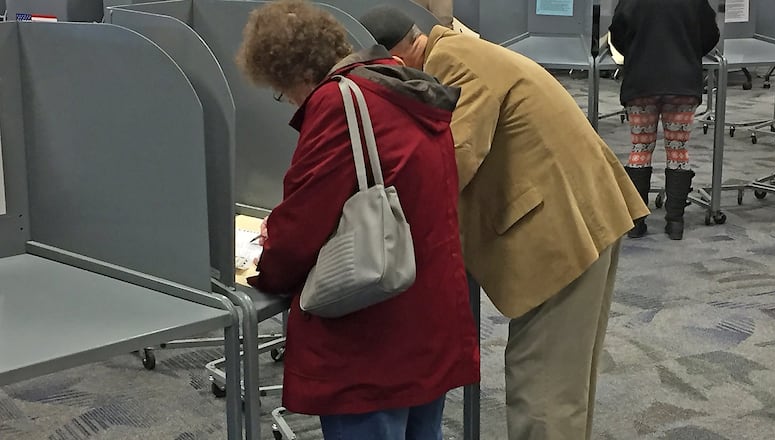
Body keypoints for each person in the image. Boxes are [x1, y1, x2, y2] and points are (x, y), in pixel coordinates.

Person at [359, 7, 649, 440]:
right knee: (565, 384)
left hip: (561, 230)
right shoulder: (458, 51)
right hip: (580, 214)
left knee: (542, 386)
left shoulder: (451, 64)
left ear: (396, 57)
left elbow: (449, 162)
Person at [236, 1, 479, 439]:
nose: (288, 101)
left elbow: (301, 229)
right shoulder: (397, 82)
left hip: (375, 333)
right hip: (428, 313)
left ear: (298, 75)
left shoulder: (337, 103)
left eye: (282, 90)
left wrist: (264, 266)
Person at [610, 0, 720, 240]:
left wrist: (639, 51)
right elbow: (711, 35)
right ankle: (675, 222)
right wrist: (687, 50)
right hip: (681, 82)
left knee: (640, 147)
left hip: (641, 82)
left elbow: (617, 35)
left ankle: (637, 223)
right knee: (678, 150)